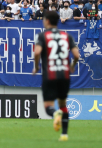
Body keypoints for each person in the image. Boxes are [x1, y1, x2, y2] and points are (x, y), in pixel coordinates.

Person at [32, 10, 80, 142]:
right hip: (64, 76)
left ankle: (55, 113)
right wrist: (72, 65)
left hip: (50, 75)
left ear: (47, 21)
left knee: (48, 106)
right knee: (63, 104)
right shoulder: (67, 36)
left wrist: (36, 67)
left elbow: (37, 53)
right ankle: (64, 135)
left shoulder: (42, 36)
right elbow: (76, 55)